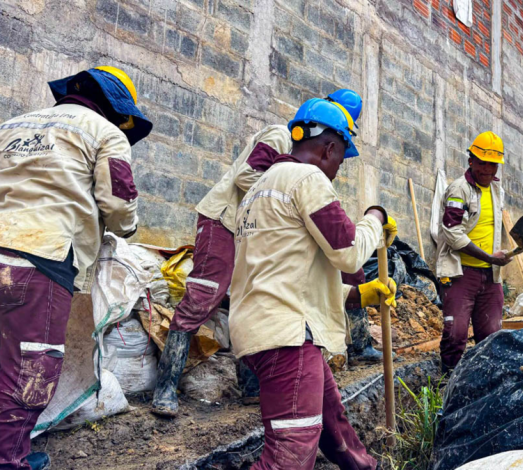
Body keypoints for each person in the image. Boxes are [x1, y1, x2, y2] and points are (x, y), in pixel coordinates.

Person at [151, 89, 364, 417]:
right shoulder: (281, 137)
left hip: (252, 227)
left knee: (250, 297)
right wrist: (286, 184)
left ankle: (251, 386)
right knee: (205, 294)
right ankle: (165, 385)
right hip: (225, 218)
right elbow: (246, 175)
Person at [229, 98, 398, 470]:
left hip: (267, 327)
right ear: (329, 148)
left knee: (330, 419)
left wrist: (357, 295)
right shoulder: (307, 179)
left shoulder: (258, 190)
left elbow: (286, 272)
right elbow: (350, 251)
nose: (338, 168)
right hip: (286, 335)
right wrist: (375, 218)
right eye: (340, 159)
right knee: (290, 452)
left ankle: (364, 466)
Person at [0, 67, 151, 470]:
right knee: (31, 367)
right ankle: (8, 460)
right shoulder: (105, 133)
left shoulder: (10, 125)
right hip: (39, 258)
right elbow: (119, 205)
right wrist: (127, 228)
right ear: (116, 111)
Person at [436, 131, 512, 374]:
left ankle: (483, 386)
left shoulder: (497, 190)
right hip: (461, 274)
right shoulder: (459, 190)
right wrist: (489, 257)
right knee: (455, 334)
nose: (488, 170)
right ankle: (447, 386)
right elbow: (452, 232)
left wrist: (495, 258)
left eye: (493, 165)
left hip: (490, 276)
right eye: (482, 163)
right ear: (471, 161)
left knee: (491, 337)